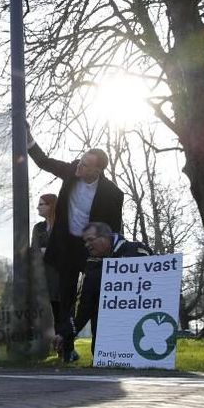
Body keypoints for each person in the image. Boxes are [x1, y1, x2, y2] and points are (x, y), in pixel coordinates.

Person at [27, 127, 124, 362]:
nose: (79, 166)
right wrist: (27, 138)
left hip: (91, 250)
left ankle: (100, 351)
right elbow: (43, 161)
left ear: (98, 170)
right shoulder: (71, 171)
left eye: (86, 164)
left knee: (95, 299)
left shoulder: (113, 194)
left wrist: (112, 254)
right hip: (66, 247)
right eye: (80, 161)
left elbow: (114, 228)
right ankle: (67, 349)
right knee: (65, 300)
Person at [53, 221, 152, 359]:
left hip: (140, 334)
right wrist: (64, 333)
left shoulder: (137, 250)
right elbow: (83, 307)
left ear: (106, 237)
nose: (87, 245)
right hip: (105, 348)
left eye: (90, 240)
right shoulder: (91, 266)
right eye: (85, 242)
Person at [31, 193, 60, 323]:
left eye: (41, 204)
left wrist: (46, 251)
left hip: (59, 279)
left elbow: (66, 251)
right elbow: (34, 251)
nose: (38, 207)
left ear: (51, 205)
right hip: (42, 278)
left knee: (60, 316)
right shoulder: (38, 228)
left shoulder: (63, 226)